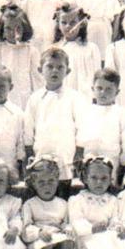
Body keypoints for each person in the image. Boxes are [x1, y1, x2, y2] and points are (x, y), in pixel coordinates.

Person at [24, 47, 85, 198]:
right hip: (41, 156)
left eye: (60, 67)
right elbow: (28, 128)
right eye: (49, 67)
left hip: (64, 156)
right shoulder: (35, 98)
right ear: (40, 70)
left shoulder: (74, 97)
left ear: (68, 71)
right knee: (40, 194)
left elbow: (82, 127)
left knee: (62, 194)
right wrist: (29, 152)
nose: (54, 71)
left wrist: (79, 152)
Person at [68, 155, 125, 249]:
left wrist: (118, 227)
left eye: (104, 179)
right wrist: (92, 228)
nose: (99, 182)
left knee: (118, 237)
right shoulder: (77, 199)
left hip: (106, 232)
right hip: (86, 235)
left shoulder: (112, 200)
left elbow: (115, 218)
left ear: (110, 179)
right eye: (94, 178)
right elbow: (76, 221)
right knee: (98, 239)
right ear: (85, 178)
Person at [76, 68, 125, 187]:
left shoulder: (122, 113)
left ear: (117, 92)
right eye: (99, 88)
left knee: (109, 192)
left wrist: (123, 168)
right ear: (93, 89)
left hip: (112, 162)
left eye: (109, 89)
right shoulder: (87, 111)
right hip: (90, 161)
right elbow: (80, 140)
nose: (103, 92)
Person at [21, 156, 74, 249]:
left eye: (51, 181)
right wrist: (39, 232)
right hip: (39, 238)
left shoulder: (62, 203)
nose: (47, 186)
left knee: (69, 241)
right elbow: (26, 226)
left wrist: (67, 228)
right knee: (47, 242)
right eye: (42, 182)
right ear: (34, 183)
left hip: (57, 234)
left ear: (57, 181)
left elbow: (65, 222)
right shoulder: (30, 204)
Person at [0, 4, 41, 108]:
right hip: (2, 98)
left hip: (25, 98)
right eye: (8, 28)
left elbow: (37, 79)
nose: (13, 33)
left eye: (18, 28)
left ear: (25, 28)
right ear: (2, 30)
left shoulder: (31, 51)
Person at [52, 3, 99, 98]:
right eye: (64, 23)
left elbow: (96, 75)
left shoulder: (91, 48)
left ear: (81, 24)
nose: (68, 26)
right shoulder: (56, 49)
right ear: (58, 24)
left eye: (73, 22)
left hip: (85, 96)